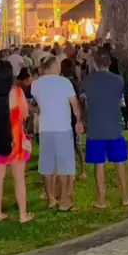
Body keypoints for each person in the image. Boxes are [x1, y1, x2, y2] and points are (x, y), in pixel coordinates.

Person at [31, 56, 83, 210]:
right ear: (54, 67)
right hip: (63, 128)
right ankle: (64, 201)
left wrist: (36, 110)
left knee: (47, 165)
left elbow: (29, 103)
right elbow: (74, 104)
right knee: (64, 166)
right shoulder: (64, 82)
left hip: (45, 128)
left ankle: (51, 199)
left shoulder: (36, 84)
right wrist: (78, 121)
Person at [0, 60, 33, 223]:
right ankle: (22, 214)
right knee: (19, 178)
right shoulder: (17, 93)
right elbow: (25, 115)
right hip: (16, 140)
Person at [82, 49, 128, 208]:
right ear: (109, 63)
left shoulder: (88, 81)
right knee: (120, 162)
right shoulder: (118, 80)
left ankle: (101, 199)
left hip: (95, 127)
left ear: (95, 64)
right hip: (114, 125)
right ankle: (125, 197)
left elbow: (85, 101)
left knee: (99, 164)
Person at [60, 57, 86, 180]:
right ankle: (82, 170)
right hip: (75, 115)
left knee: (71, 145)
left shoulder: (65, 82)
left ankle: (72, 171)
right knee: (77, 144)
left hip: (68, 115)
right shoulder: (77, 81)